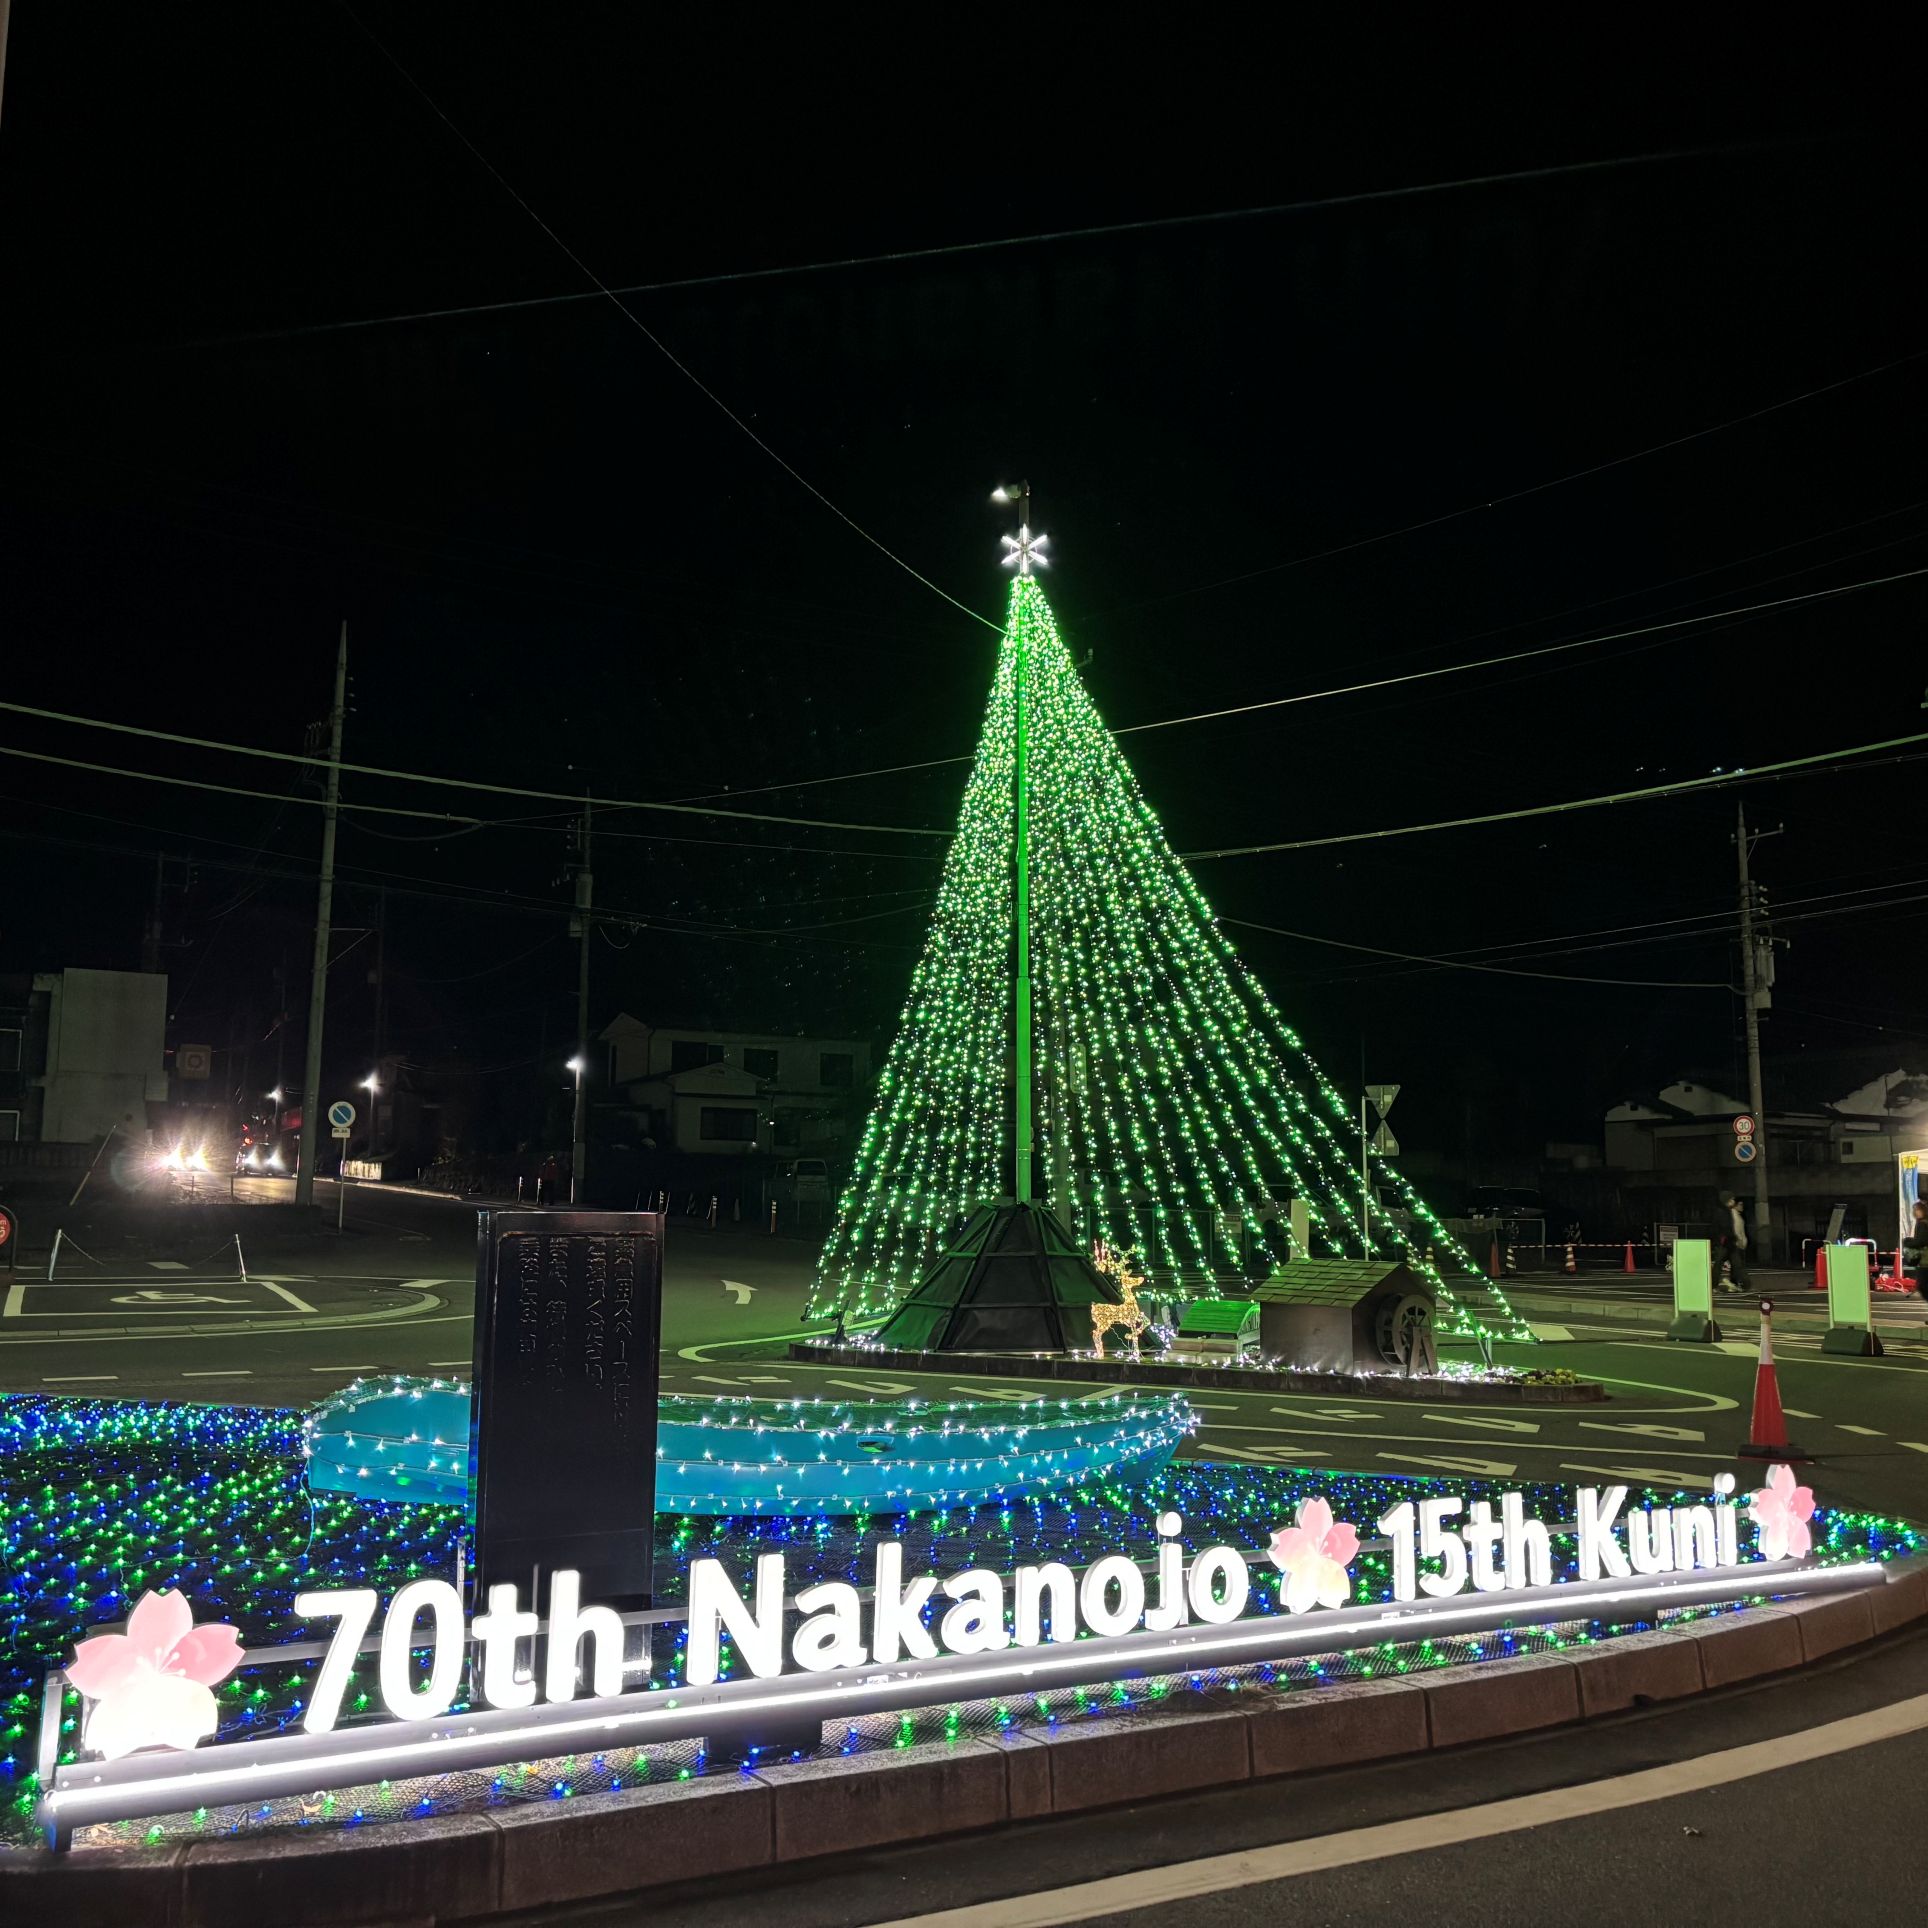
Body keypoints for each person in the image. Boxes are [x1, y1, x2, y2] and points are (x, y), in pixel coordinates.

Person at [1716, 1190, 1751, 1293]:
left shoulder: (1734, 1214)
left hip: (1732, 1242)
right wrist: (1738, 1239)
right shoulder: (1730, 1214)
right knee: (1733, 1263)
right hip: (1730, 1242)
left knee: (1735, 1263)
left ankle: (1735, 1283)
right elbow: (1733, 1229)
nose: (1741, 1206)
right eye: (1739, 1204)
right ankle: (1740, 1284)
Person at [1906, 1197, 1928, 1303]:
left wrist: (1907, 1242)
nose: (1914, 1212)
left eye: (1916, 1210)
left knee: (1923, 1287)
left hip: (1925, 1261)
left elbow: (1921, 1241)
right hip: (1924, 1260)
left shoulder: (1923, 1223)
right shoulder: (1923, 1223)